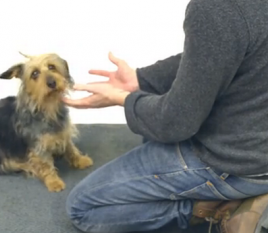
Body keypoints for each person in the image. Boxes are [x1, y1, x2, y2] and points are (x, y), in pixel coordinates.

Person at [62, 0, 268, 232]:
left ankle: (218, 209)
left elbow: (175, 123)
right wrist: (142, 80)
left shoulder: (218, 7)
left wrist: (123, 99)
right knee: (149, 130)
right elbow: (218, 51)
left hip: (238, 164)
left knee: (83, 208)